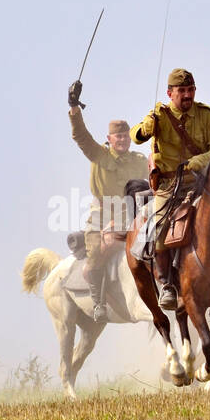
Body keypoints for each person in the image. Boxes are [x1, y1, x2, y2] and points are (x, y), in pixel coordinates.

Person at [132, 68, 210, 310]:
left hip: (203, 181)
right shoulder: (158, 115)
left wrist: (195, 163)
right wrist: (149, 125)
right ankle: (168, 284)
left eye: (190, 90)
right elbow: (137, 137)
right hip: (170, 186)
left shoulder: (207, 115)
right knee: (159, 223)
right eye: (181, 90)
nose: (187, 94)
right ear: (170, 93)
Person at [67, 80, 150, 320]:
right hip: (102, 217)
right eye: (118, 137)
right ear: (109, 139)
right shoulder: (98, 155)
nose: (123, 140)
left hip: (134, 217)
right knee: (95, 257)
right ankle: (98, 303)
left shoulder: (139, 160)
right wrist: (74, 108)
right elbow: (80, 136)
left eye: (125, 136)